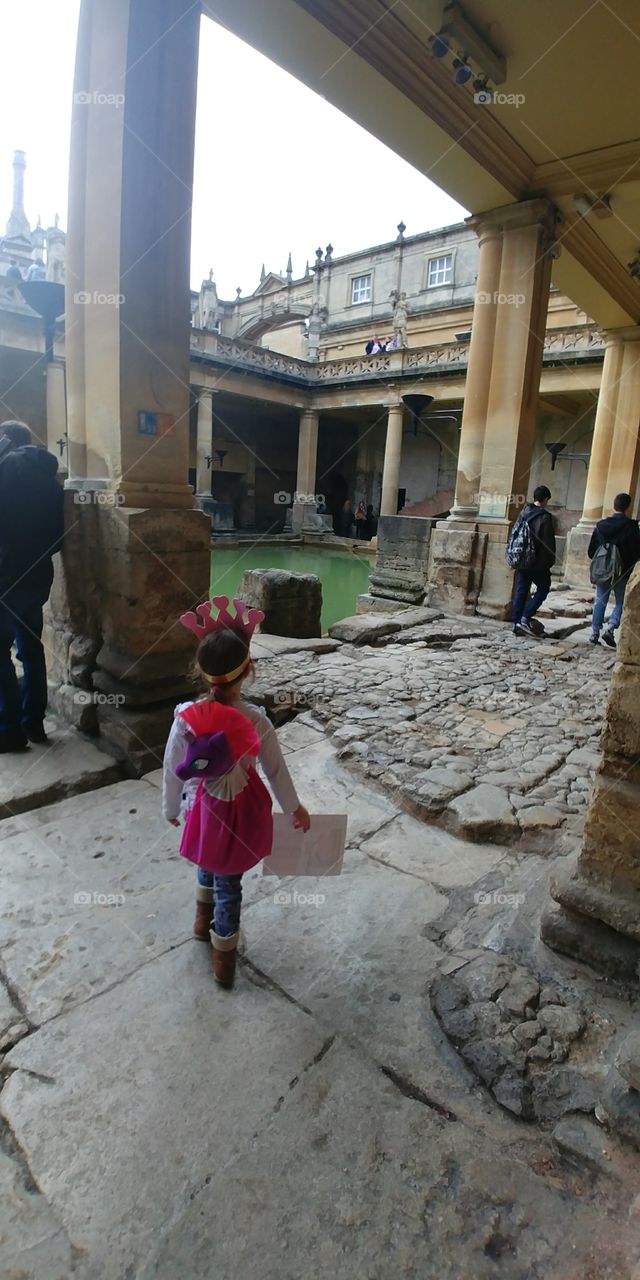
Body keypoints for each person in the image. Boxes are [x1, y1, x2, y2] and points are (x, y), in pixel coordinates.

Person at [162, 597, 310, 988]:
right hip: (240, 810)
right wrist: (295, 808)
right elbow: (275, 771)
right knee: (229, 881)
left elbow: (172, 767)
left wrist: (170, 806)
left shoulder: (186, 719)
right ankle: (223, 960)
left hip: (203, 807)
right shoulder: (257, 721)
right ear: (249, 672)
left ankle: (200, 922)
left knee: (207, 859)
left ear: (201, 671)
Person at [0, 421, 64, 751]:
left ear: (7, 439)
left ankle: (9, 731)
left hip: (5, 577)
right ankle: (34, 723)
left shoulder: (4, 470)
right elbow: (58, 537)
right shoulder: (51, 483)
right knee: (31, 648)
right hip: (38, 578)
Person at [588, 493, 640, 647]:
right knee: (621, 602)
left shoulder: (601, 526)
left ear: (614, 505)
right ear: (628, 507)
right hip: (623, 570)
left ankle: (594, 632)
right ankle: (611, 627)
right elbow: (637, 551)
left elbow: (591, 551)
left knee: (600, 600)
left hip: (603, 570)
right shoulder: (631, 527)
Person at [510, 485, 556, 637]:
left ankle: (517, 622)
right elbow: (547, 542)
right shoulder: (545, 517)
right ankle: (525, 617)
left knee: (521, 590)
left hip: (522, 558)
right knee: (544, 587)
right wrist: (549, 561)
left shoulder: (523, 513)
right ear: (545, 499)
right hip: (537, 562)